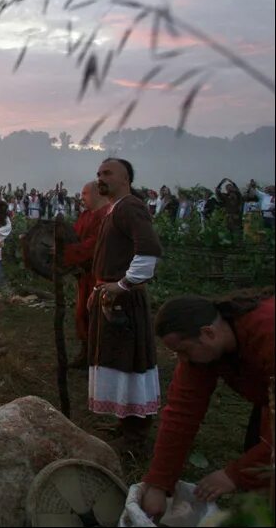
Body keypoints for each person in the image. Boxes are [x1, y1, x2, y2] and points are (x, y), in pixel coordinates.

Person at [140, 292, 274, 518]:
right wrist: (159, 483)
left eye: (183, 350)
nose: (181, 359)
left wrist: (234, 475)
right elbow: (182, 413)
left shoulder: (268, 333)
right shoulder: (203, 350)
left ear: (208, 332)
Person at [89, 158, 163, 455]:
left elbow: (149, 252)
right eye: (98, 174)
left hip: (124, 301)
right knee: (117, 359)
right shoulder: (114, 210)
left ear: (126, 179)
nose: (100, 178)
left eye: (107, 173)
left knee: (129, 361)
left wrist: (122, 285)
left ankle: (136, 435)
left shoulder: (130, 207)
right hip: (112, 296)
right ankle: (125, 421)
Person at [61, 181, 110, 368]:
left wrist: (64, 252)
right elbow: (73, 237)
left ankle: (100, 355)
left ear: (97, 193)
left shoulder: (106, 216)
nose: (82, 197)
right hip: (84, 274)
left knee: (98, 313)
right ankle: (87, 351)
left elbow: (93, 245)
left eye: (85, 193)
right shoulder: (86, 215)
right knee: (82, 313)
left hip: (100, 274)